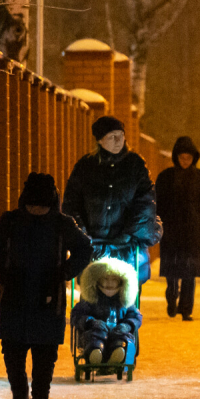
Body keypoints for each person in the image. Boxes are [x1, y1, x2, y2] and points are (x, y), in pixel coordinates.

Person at [0, 173, 92, 399]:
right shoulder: (11, 222)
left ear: (51, 203)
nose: (36, 210)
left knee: (45, 358)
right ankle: (19, 394)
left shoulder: (63, 224)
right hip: (15, 298)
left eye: (41, 207)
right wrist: (2, 273)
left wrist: (64, 272)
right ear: (24, 202)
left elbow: (84, 249)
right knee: (12, 354)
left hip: (48, 300)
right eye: (32, 206)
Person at [62, 116, 158, 282]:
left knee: (125, 295)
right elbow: (72, 204)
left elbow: (145, 203)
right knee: (92, 294)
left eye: (121, 135)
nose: (118, 140)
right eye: (112, 136)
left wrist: (130, 234)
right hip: (93, 247)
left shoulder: (135, 165)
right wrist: (82, 234)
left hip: (127, 247)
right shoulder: (85, 166)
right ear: (100, 140)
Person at [155, 136, 200, 321]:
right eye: (182, 158)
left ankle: (186, 309)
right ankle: (172, 298)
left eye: (188, 158)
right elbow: (157, 202)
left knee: (189, 273)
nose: (185, 161)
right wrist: (160, 222)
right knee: (172, 272)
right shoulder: (166, 177)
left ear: (193, 158)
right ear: (176, 157)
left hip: (191, 233)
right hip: (171, 232)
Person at [70, 258, 143, 365]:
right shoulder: (91, 300)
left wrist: (127, 325)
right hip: (95, 332)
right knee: (93, 337)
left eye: (114, 279)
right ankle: (95, 353)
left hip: (118, 332)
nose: (109, 283)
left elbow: (136, 316)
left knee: (123, 339)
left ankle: (119, 352)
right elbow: (76, 315)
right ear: (97, 280)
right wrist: (90, 322)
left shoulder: (124, 302)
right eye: (105, 279)